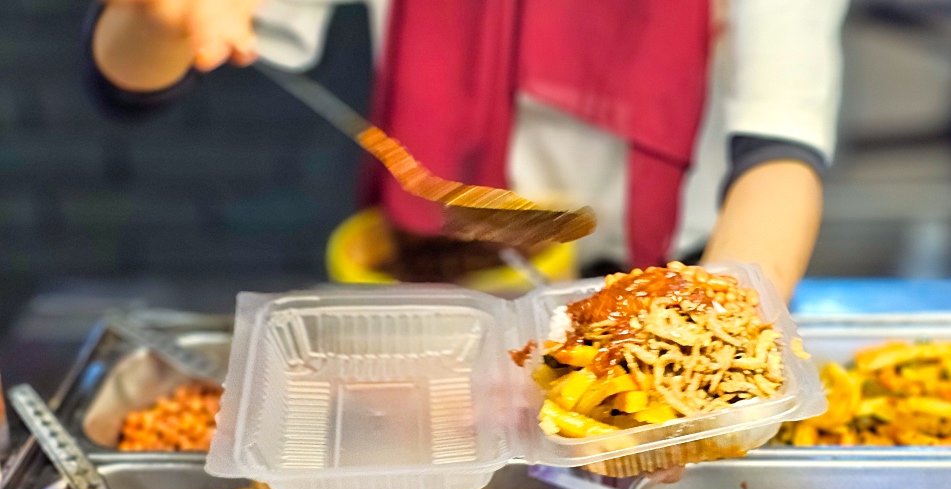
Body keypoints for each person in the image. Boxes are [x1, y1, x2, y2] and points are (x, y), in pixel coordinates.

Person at [88, 0, 848, 298]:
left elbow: (780, 153)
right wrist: (158, 17)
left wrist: (707, 336)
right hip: (447, 289)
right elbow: (125, 80)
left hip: (682, 275)